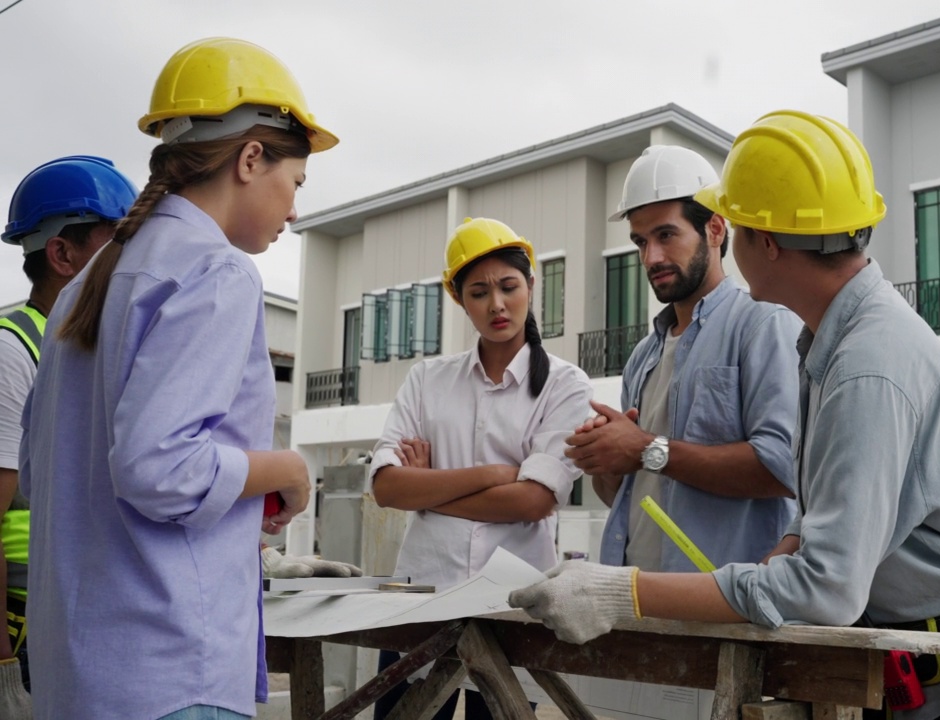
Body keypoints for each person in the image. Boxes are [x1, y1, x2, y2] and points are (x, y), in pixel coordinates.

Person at [511, 111, 940, 720]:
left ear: (761, 242)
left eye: (733, 226)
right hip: (904, 649)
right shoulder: (828, 343)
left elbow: (826, 588)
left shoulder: (866, 365)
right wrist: (791, 541)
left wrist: (619, 592)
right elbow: (828, 510)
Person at [19, 37, 336, 720]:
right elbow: (156, 468)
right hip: (167, 674)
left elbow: (48, 473)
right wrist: (285, 467)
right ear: (253, 157)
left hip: (78, 671)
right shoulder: (216, 272)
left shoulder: (87, 286)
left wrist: (234, 498)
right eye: (296, 183)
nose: (295, 211)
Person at [370, 217, 592, 720]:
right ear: (459, 300)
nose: (496, 304)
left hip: (510, 607)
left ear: (531, 285)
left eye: (509, 286)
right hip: (419, 605)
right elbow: (385, 487)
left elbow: (534, 500)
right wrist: (493, 475)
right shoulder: (427, 379)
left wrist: (425, 489)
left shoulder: (564, 386)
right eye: (478, 292)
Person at [566, 145, 802, 573]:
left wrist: (644, 449)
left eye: (666, 235)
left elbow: (783, 469)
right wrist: (604, 459)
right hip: (639, 596)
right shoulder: (643, 355)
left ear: (715, 229)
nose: (651, 257)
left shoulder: (763, 325)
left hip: (728, 608)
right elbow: (628, 491)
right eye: (641, 241)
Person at [0, 156, 139, 719]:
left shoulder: (94, 351)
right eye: (119, 240)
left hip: (83, 619)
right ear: (62, 254)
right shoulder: (15, 352)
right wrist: (4, 664)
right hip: (24, 630)